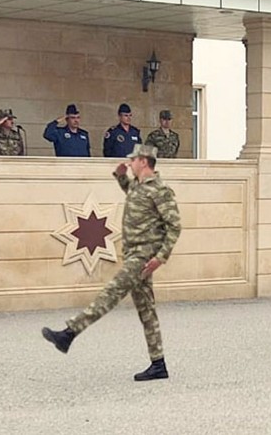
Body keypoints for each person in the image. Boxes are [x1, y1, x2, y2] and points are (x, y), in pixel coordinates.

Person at [41, 144, 182, 381]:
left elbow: (175, 226)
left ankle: (69, 333)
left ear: (144, 161)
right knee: (147, 311)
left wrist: (160, 258)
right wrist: (120, 176)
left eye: (133, 160)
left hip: (142, 257)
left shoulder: (160, 190)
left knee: (110, 292)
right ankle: (158, 364)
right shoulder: (139, 185)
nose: (130, 163)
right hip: (134, 254)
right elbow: (133, 195)